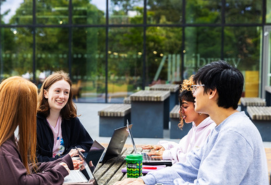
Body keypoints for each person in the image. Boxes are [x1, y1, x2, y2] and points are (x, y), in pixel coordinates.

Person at [115, 61, 268, 184]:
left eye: (196, 87)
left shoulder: (234, 133)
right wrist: (145, 181)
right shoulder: (222, 128)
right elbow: (190, 167)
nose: (193, 93)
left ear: (211, 92)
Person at [0, 77, 80, 185]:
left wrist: (62, 162)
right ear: (20, 109)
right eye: (31, 106)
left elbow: (21, 167)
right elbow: (21, 181)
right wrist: (56, 174)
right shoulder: (2, 150)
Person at [141, 76, 216, 164]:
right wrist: (165, 147)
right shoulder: (196, 128)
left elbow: (193, 160)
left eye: (185, 107)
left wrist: (167, 154)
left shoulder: (211, 130)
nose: (181, 111)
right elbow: (182, 148)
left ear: (198, 103)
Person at [36, 71, 93, 162]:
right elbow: (33, 160)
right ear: (45, 93)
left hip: (70, 171)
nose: (62, 96)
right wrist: (65, 159)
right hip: (46, 174)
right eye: (57, 91)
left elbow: (87, 144)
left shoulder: (71, 119)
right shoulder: (34, 122)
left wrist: (75, 151)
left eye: (66, 92)